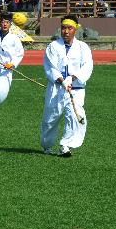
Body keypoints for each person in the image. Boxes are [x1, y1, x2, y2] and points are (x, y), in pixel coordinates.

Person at [40, 15, 94, 157]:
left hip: (76, 90)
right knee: (51, 119)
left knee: (75, 117)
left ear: (76, 29)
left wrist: (72, 78)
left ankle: (66, 144)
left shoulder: (83, 47)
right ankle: (47, 145)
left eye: (69, 28)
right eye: (63, 28)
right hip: (56, 89)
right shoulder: (53, 46)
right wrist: (61, 81)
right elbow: (50, 67)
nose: (66, 31)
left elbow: (87, 67)